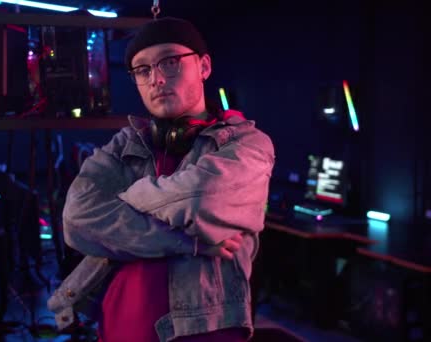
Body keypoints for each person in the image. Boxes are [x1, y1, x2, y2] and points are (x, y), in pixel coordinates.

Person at [48, 17, 275, 342]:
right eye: (142, 70)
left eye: (170, 62)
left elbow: (200, 200)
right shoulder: (123, 146)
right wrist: (192, 242)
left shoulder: (248, 144)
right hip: (115, 331)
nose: (156, 79)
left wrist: (126, 200)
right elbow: (77, 220)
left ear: (204, 66)